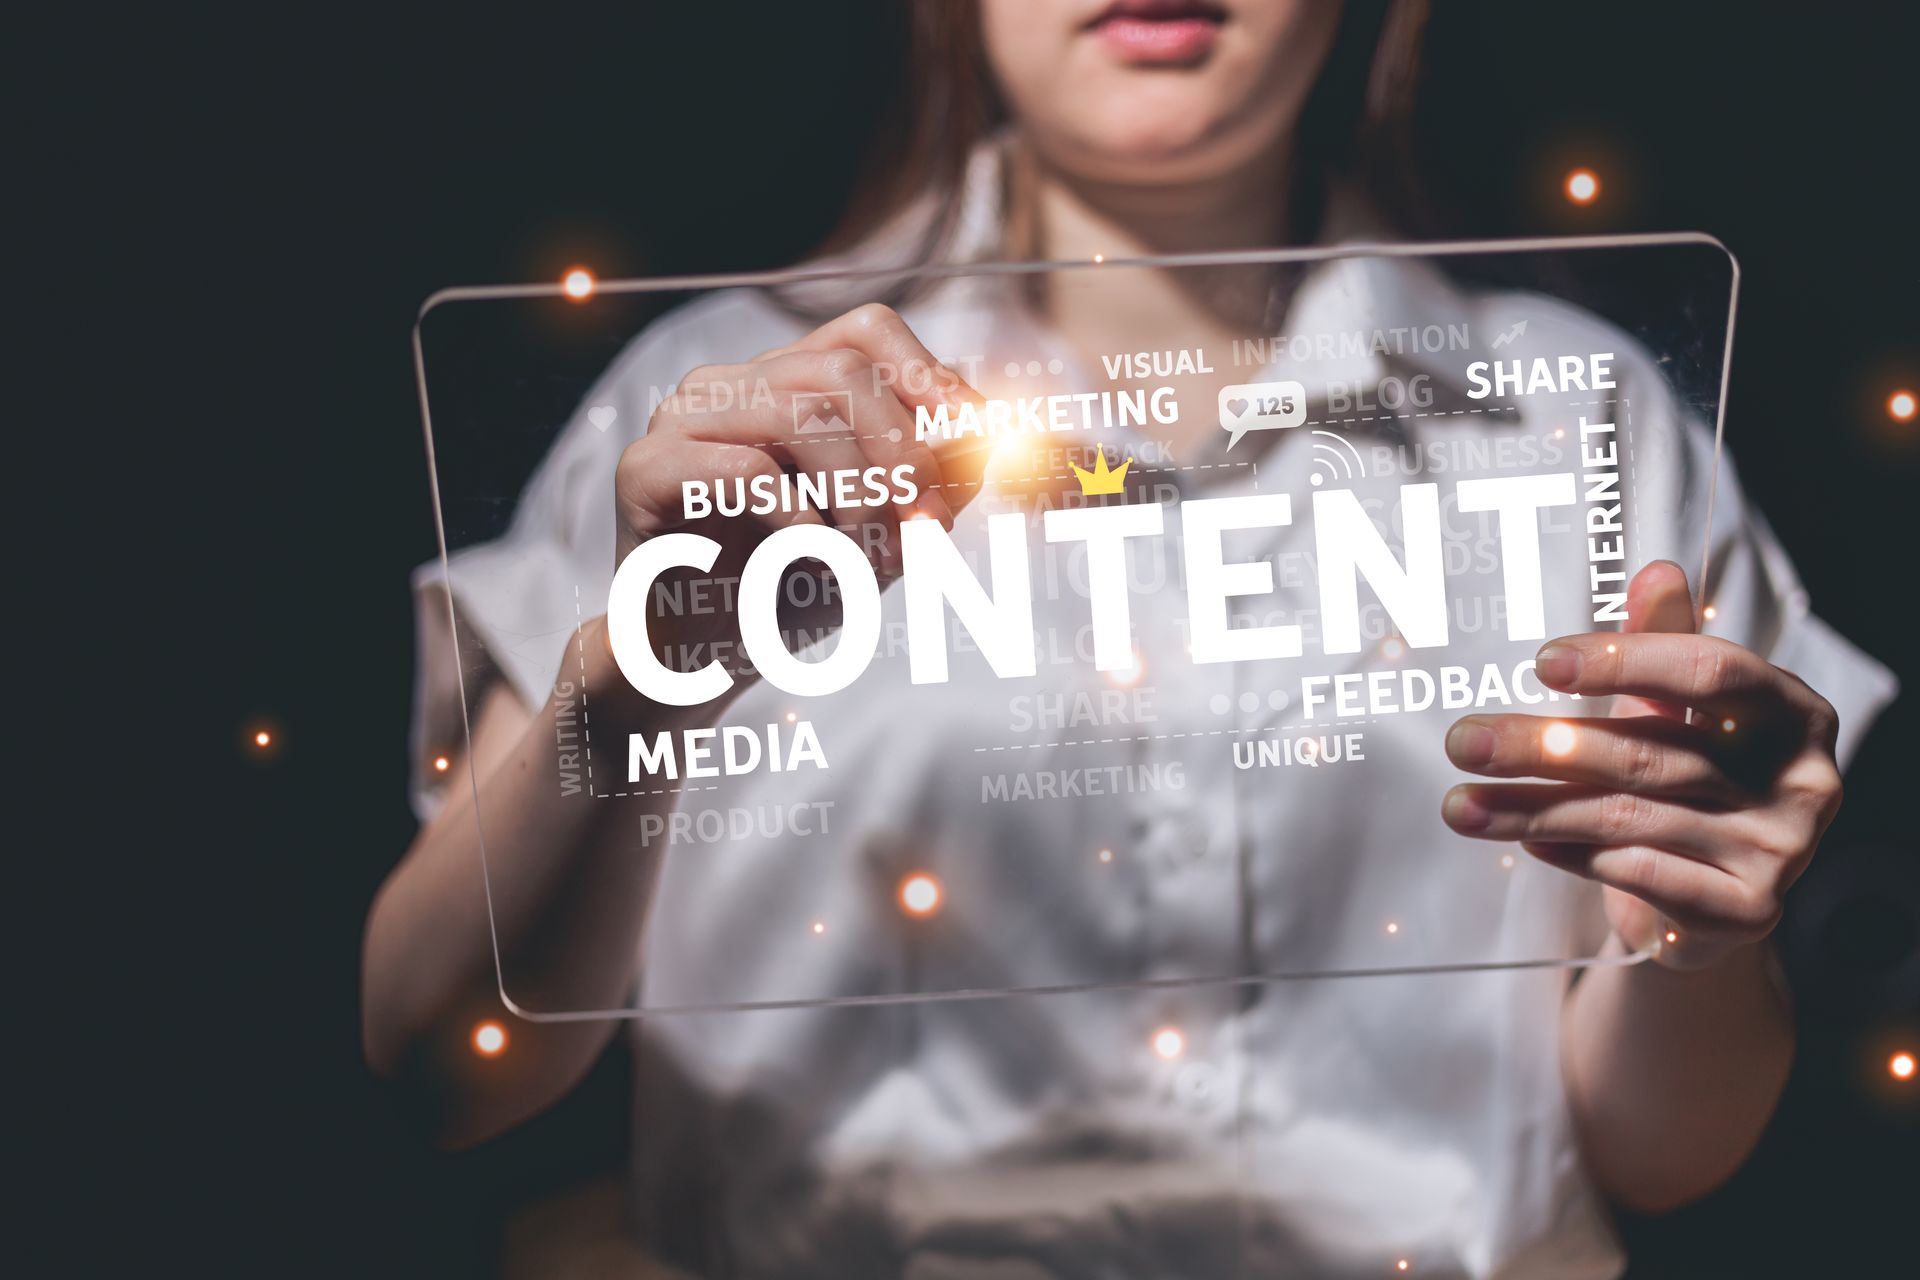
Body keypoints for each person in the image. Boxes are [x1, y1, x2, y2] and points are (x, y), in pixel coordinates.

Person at [364, 2, 1897, 1274]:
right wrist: (633, 685)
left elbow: (1659, 1152)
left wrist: (1702, 930)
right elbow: (436, 1065)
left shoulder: (1587, 421)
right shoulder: (711, 406)